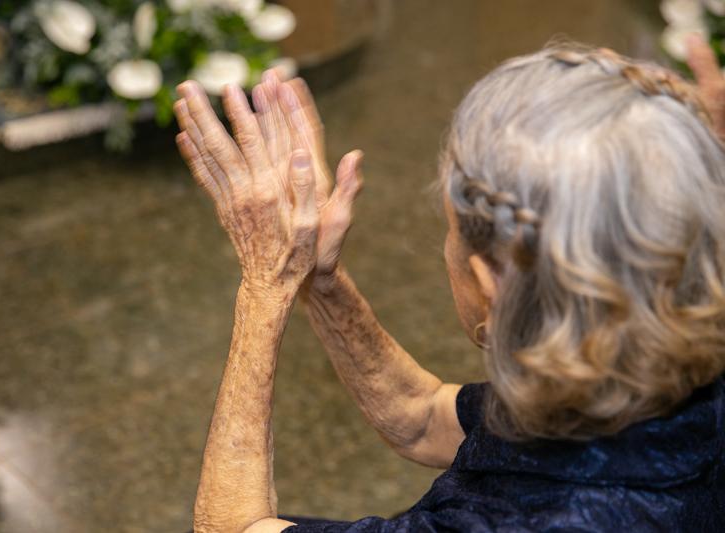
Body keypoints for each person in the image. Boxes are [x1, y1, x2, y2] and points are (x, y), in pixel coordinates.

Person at [173, 34, 725, 533]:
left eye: (452, 230)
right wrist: (320, 277)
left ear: (492, 283)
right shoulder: (656, 355)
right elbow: (419, 417)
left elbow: (229, 528)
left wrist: (266, 282)